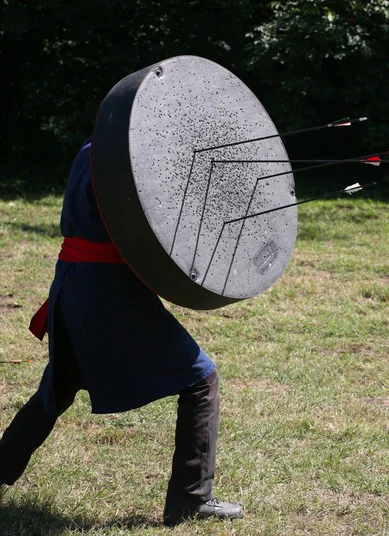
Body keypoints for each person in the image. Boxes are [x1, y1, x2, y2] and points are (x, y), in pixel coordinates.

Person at [0, 139, 243, 526]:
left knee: (59, 387)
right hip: (109, 291)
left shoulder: (93, 147)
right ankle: (190, 499)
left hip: (73, 285)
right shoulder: (137, 157)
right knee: (201, 378)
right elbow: (157, 230)